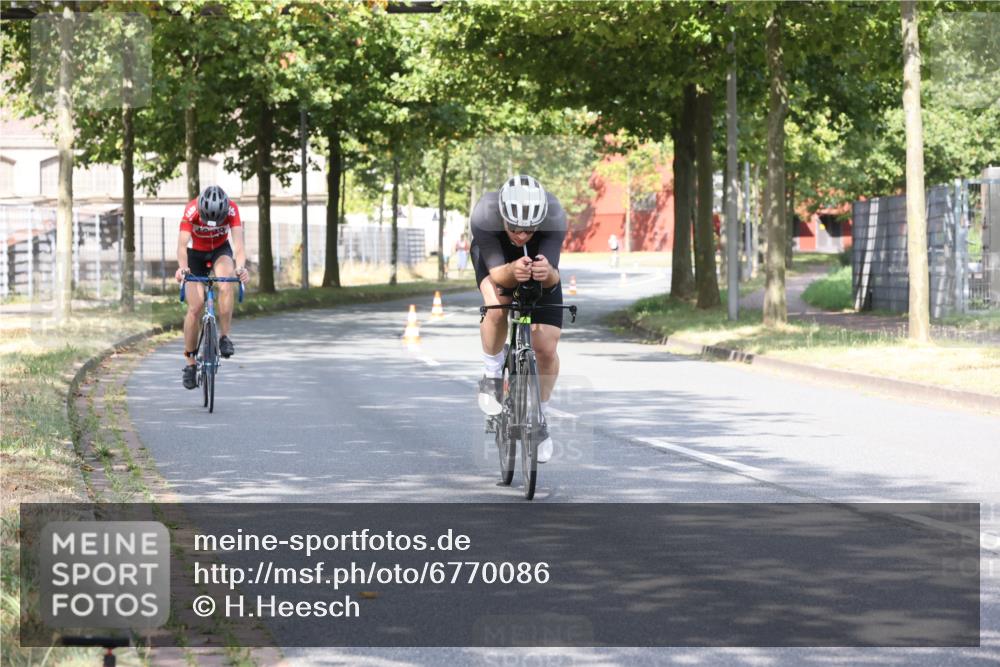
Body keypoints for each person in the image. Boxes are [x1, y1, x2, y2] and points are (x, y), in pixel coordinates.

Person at [472, 175, 567, 463]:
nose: (521, 236)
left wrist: (546, 273)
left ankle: (540, 418)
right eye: (513, 228)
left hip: (537, 264)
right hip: (497, 262)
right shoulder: (485, 214)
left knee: (546, 349)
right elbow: (499, 276)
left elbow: (552, 277)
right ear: (502, 216)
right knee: (497, 307)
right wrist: (513, 269)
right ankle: (492, 374)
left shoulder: (554, 214)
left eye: (528, 230)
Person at [174, 185, 249, 390]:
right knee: (195, 306)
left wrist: (241, 268)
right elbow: (181, 246)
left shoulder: (232, 209)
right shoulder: (191, 210)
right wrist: (183, 268)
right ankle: (190, 363)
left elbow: (239, 246)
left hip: (220, 251)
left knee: (226, 282)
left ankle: (224, 337)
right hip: (195, 255)